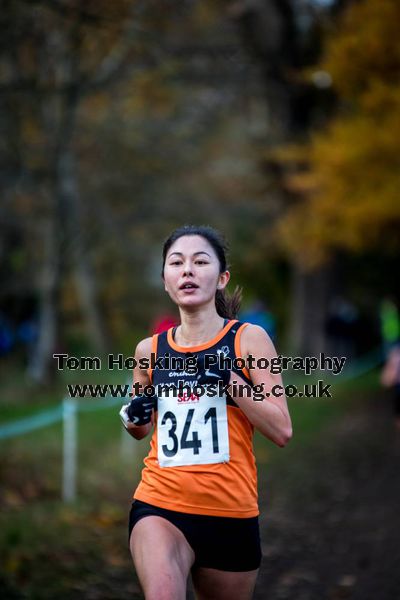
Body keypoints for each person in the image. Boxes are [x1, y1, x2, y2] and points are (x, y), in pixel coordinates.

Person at [119, 224, 292, 600]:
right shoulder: (148, 350)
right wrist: (134, 415)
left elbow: (281, 430)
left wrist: (229, 378)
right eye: (176, 263)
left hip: (231, 513)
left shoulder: (249, 340)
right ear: (165, 280)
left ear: (221, 278)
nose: (187, 271)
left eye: (200, 262)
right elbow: (140, 428)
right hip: (160, 503)